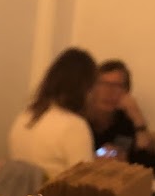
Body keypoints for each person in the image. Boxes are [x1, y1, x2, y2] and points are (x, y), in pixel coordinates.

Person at [8, 47, 97, 180]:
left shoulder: (24, 117)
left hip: (22, 193)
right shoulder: (75, 126)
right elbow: (85, 184)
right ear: (85, 88)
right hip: (53, 193)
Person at [86, 59, 155, 168]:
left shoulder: (125, 122)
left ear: (126, 92)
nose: (109, 92)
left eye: (117, 86)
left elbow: (150, 165)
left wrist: (138, 117)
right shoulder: (80, 120)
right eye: (103, 84)